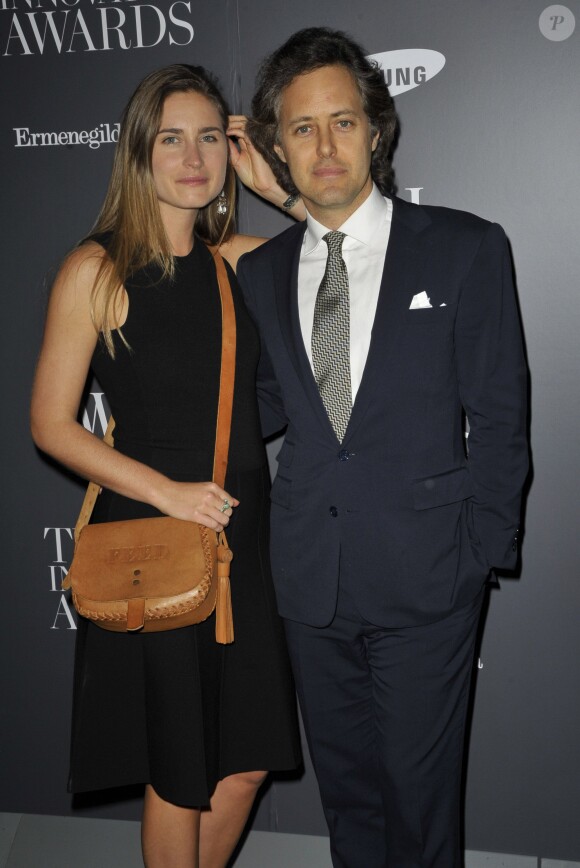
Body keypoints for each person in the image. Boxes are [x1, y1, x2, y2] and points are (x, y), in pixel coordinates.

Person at [237, 27, 529, 868]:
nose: (324, 146)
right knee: (351, 801)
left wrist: (482, 552)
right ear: (277, 148)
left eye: (341, 121)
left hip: (429, 579)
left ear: (375, 130)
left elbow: (502, 417)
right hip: (309, 581)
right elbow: (257, 412)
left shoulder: (466, 246)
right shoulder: (260, 273)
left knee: (420, 803)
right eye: (301, 128)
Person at [30, 64, 302, 868]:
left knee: (246, 763)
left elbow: (344, 250)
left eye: (211, 138)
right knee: (180, 771)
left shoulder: (238, 261)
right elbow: (49, 422)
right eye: (172, 138)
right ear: (140, 152)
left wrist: (280, 187)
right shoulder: (98, 268)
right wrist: (168, 494)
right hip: (155, 534)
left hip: (240, 540)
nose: (194, 157)